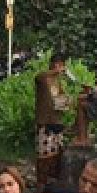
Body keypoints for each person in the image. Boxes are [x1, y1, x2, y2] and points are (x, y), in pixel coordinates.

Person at [34, 52, 70, 186]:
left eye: (62, 65)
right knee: (44, 155)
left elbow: (60, 99)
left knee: (57, 154)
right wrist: (55, 71)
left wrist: (67, 101)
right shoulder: (43, 78)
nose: (60, 68)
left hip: (56, 121)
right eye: (58, 64)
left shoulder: (58, 81)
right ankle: (41, 184)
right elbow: (39, 76)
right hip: (44, 121)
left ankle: (53, 182)